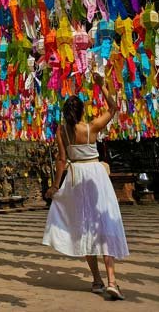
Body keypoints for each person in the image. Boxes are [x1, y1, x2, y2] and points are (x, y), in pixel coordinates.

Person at [42, 73, 128, 300]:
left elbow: (61, 160)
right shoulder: (91, 128)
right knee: (105, 222)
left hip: (76, 177)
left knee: (85, 227)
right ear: (81, 111)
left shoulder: (62, 132)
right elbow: (113, 107)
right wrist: (102, 86)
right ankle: (112, 281)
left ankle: (97, 280)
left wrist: (55, 186)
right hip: (95, 176)